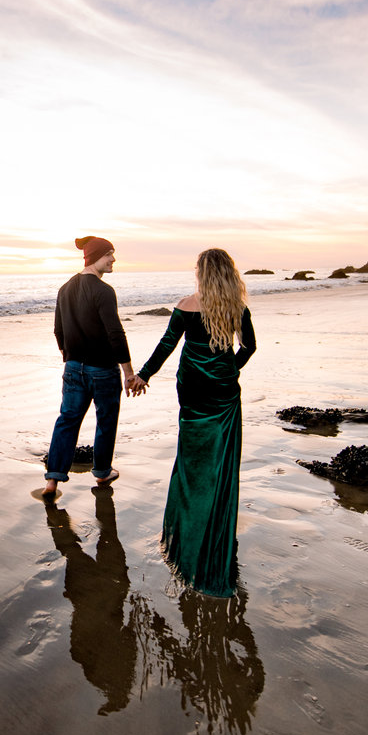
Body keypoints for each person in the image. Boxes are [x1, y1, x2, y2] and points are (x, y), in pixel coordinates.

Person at [132, 248, 255, 597]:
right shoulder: (236, 307)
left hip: (192, 388)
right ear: (228, 273)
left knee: (191, 459)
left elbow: (167, 343)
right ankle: (215, 522)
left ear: (201, 272)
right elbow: (249, 347)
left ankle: (187, 527)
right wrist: (229, 368)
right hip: (223, 389)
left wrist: (144, 375)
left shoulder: (185, 305)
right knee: (221, 458)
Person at [43, 236, 140, 497]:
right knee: (106, 420)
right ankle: (102, 473)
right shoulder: (103, 291)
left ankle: (52, 480)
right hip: (103, 369)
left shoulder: (64, 289)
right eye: (109, 254)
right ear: (95, 257)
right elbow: (115, 333)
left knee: (67, 420)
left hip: (73, 368)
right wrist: (128, 372)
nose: (113, 259)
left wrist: (70, 358)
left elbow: (58, 331)